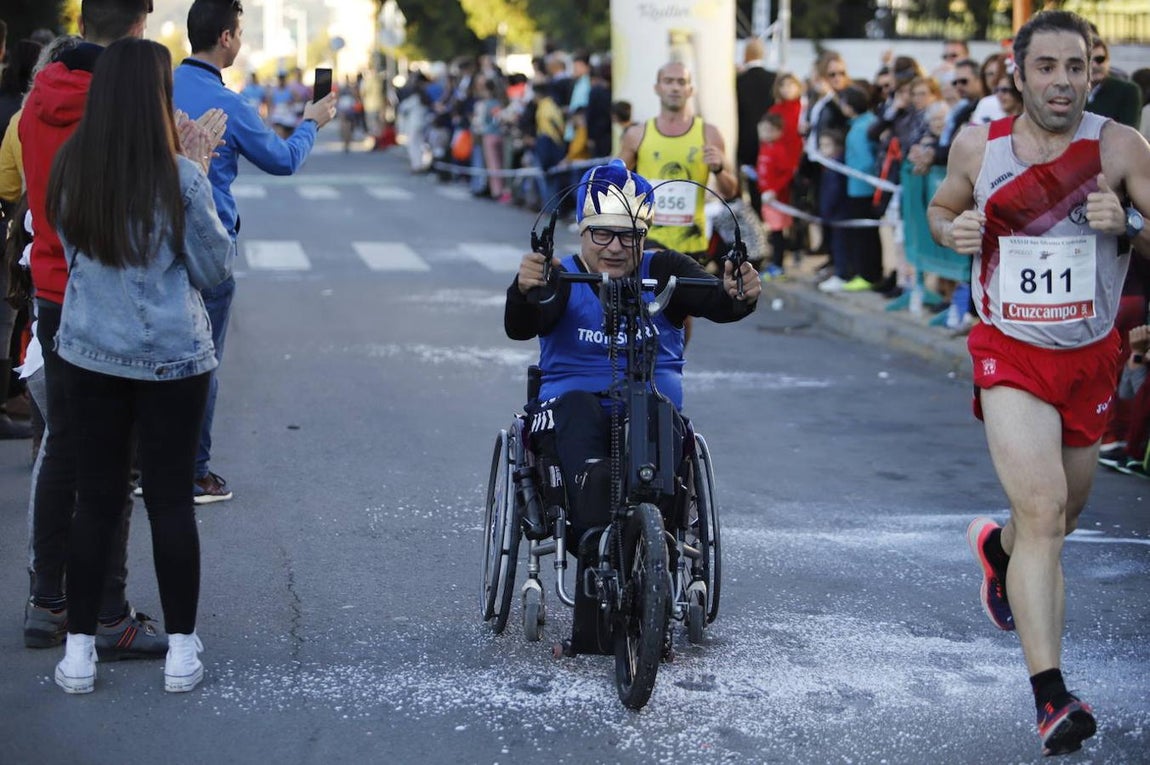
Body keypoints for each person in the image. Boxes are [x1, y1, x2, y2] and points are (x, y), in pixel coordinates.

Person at [927, 9, 1150, 756]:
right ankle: (1051, 696)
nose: (1062, 81)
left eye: (1075, 67)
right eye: (1046, 67)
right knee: (1046, 510)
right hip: (1010, 351)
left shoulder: (1121, 147)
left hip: (1090, 356)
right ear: (1017, 75)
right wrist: (952, 230)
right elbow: (942, 207)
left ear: (1093, 74)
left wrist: (1129, 224)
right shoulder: (979, 145)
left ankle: (999, 551)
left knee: (1061, 516)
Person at [505, 158, 760, 653]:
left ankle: (652, 556)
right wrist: (524, 290)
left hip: (649, 409)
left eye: (628, 236)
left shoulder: (664, 269)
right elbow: (520, 325)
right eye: (602, 234)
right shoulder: (560, 275)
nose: (616, 247)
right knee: (580, 411)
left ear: (644, 236)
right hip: (568, 411)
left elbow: (721, 302)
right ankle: (597, 555)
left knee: (656, 414)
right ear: (582, 232)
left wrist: (740, 293)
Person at [46, 37, 233, 695]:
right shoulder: (179, 175)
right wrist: (200, 168)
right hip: (173, 359)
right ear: (157, 97)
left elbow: (71, 250)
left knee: (95, 500)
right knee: (169, 499)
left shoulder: (71, 167)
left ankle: (78, 654)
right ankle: (181, 651)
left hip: (89, 351)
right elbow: (214, 268)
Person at [19, 0, 168, 659]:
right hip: (106, 291)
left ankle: (47, 600)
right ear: (140, 23)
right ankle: (108, 611)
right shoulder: (121, 103)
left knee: (62, 448)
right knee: (114, 457)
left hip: (51, 286)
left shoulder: (39, 95)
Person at [172, 0, 335, 503]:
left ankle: (144, 465)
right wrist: (311, 123)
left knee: (155, 352)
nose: (240, 42)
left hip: (152, 241)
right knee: (203, 361)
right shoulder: (231, 105)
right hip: (207, 245)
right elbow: (283, 160)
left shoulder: (158, 89)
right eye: (240, 33)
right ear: (225, 37)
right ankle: (194, 472)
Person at [619, 60, 739, 267]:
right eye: (668, 81)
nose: (675, 87)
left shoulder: (709, 133)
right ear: (657, 88)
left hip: (693, 240)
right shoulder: (637, 134)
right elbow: (615, 182)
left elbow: (730, 191)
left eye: (681, 82)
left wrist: (719, 170)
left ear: (690, 90)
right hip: (649, 238)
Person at [736, 37, 777, 218]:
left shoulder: (739, 81)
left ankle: (757, 220)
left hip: (746, 141)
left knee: (753, 186)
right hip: (772, 140)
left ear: (745, 55)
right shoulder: (774, 79)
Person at [1086, 35, 1142, 129]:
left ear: (1108, 61)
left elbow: (1128, 132)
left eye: (1100, 59)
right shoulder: (1072, 89)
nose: (1095, 65)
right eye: (1089, 60)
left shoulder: (1127, 91)